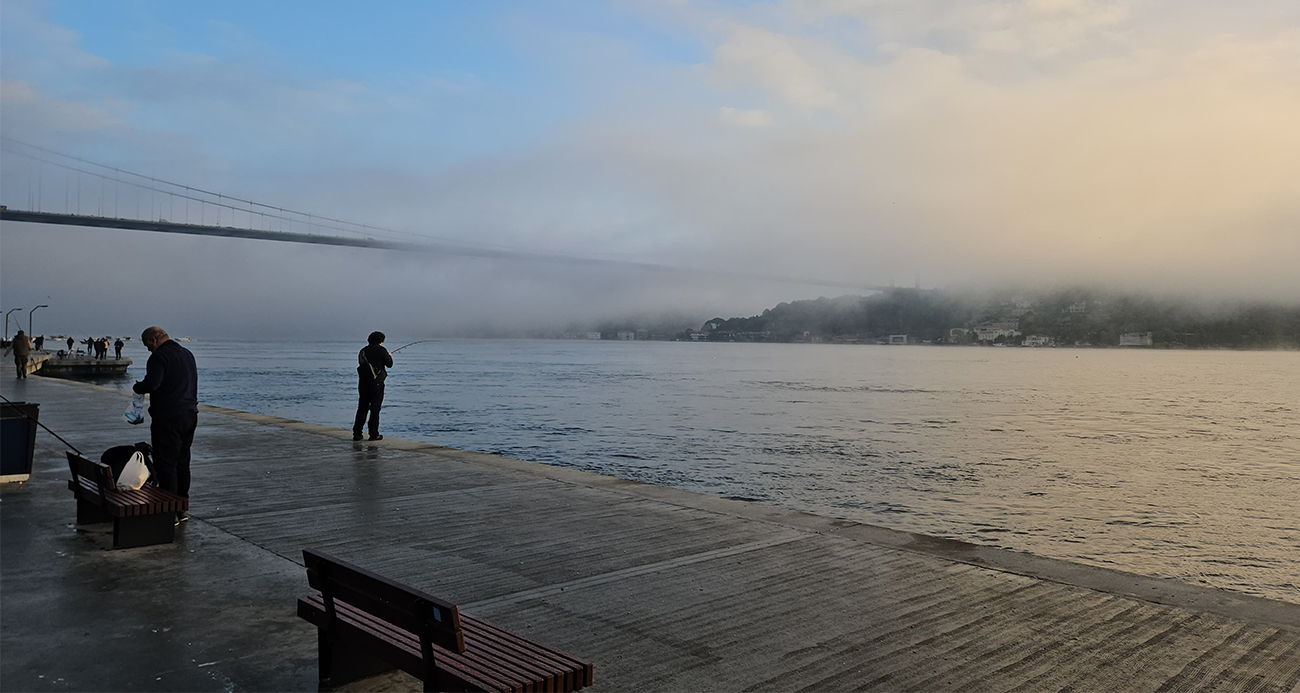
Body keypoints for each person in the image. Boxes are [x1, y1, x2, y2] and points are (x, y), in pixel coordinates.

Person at [133, 326, 198, 524]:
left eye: (147, 345)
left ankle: (169, 510)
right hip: (189, 414)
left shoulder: (159, 357)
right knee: (182, 461)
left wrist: (138, 386)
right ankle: (182, 507)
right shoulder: (187, 354)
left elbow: (153, 384)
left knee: (166, 463)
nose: (148, 350)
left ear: (153, 340)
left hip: (168, 416)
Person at [353, 331, 393, 441]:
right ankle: (373, 434)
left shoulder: (363, 351)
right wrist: (388, 356)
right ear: (381, 341)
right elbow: (389, 364)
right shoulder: (382, 350)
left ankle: (357, 433)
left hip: (363, 382)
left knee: (362, 407)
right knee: (375, 409)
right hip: (377, 382)